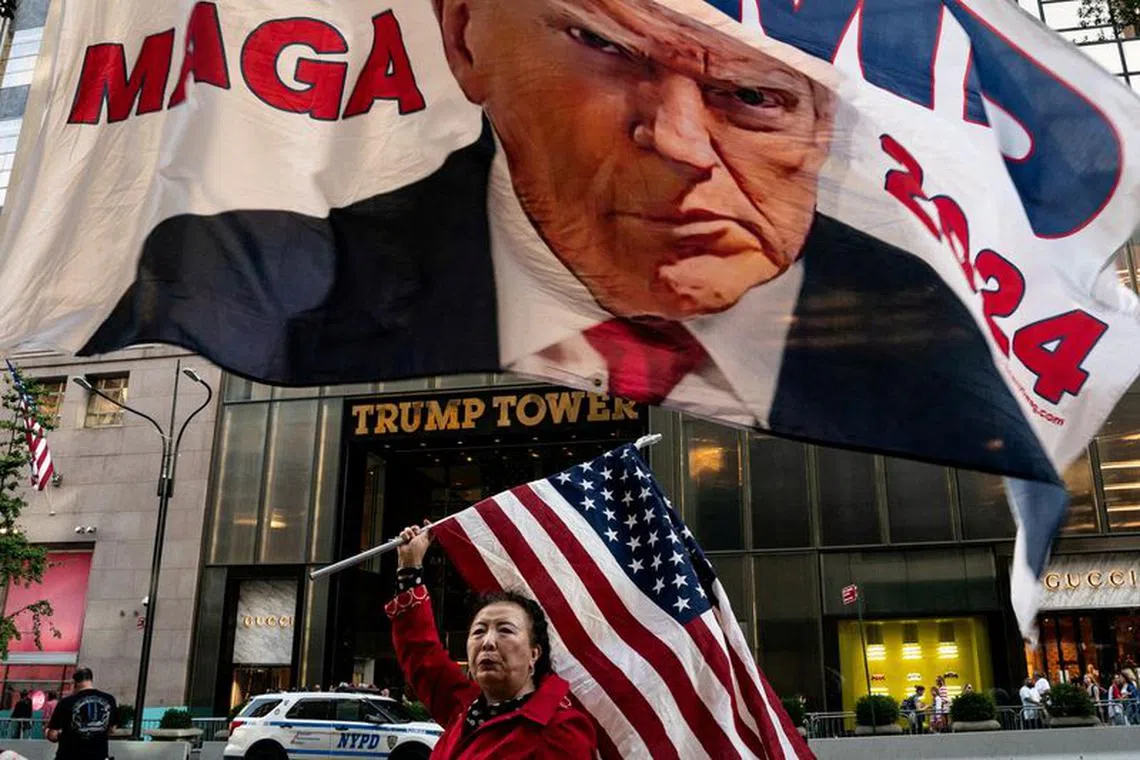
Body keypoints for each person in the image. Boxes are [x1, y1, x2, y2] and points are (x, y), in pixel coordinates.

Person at [83, 0, 1055, 488]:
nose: (678, 142)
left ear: (827, 128)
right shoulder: (240, 274)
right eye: (608, 47)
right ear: (465, 34)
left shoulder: (938, 328)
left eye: (755, 96)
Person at [389, 523, 596, 758]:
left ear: (534, 654)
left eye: (505, 630)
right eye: (478, 631)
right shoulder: (466, 708)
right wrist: (409, 567)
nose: (488, 642)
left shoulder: (559, 732)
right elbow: (423, 657)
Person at [46, 668, 117, 760]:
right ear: (91, 680)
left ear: (74, 682)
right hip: (99, 755)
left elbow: (52, 735)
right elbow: (112, 729)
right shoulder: (109, 699)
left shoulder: (66, 702)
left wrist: (49, 732)